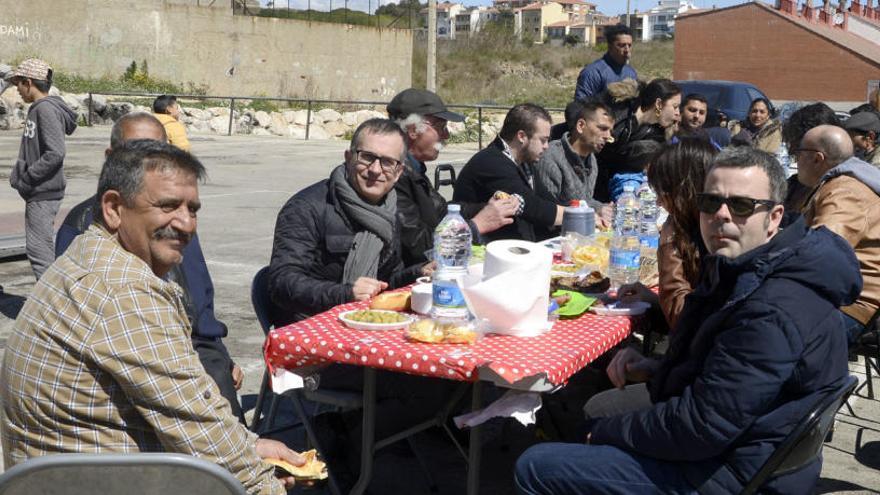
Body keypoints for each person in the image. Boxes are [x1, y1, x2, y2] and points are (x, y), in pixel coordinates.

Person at [515, 146, 860, 494]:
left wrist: (605, 434)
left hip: (740, 472)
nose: (721, 216)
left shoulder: (774, 307)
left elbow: (701, 427)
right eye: (710, 203)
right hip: (749, 445)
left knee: (536, 465)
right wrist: (658, 367)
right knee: (594, 421)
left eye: (741, 206)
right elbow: (726, 371)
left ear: (774, 217)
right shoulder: (754, 265)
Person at [1, 140, 304, 493]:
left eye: (192, 209)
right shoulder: (125, 290)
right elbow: (199, 427)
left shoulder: (88, 255)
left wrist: (250, 446)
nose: (186, 223)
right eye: (168, 206)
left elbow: (192, 405)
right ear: (114, 208)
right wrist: (265, 486)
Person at [54, 112, 246, 423]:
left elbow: (198, 304)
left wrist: (221, 355)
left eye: (159, 153)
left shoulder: (173, 221)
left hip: (189, 351)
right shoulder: (84, 232)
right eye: (137, 153)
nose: (151, 165)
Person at [268, 118, 426, 325]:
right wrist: (345, 294)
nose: (375, 170)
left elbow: (386, 283)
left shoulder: (390, 209)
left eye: (387, 162)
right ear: (348, 157)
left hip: (367, 323)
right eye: (367, 157)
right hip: (313, 327)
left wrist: (420, 272)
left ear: (398, 173)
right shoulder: (306, 207)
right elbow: (282, 283)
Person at [387, 88, 518, 266]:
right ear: (412, 130)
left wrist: (488, 206)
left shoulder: (414, 169)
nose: (446, 135)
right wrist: (476, 226)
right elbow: (417, 247)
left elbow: (442, 212)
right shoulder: (392, 176)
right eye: (440, 127)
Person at [619, 138, 718, 330]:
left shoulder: (716, 237)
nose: (657, 202)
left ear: (685, 190)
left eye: (663, 191)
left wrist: (668, 241)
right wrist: (656, 299)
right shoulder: (701, 227)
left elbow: (684, 321)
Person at [795, 125, 880, 343]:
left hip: (853, 306)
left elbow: (821, 252)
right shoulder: (843, 183)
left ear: (817, 158)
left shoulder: (845, 191)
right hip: (841, 295)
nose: (796, 160)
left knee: (766, 331)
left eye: (799, 153)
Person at [6, 58, 78, 280]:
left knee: (39, 252)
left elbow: (55, 153)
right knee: (41, 248)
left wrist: (27, 178)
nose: (16, 89)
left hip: (42, 190)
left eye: (18, 83)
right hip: (41, 189)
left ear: (28, 82)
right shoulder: (42, 108)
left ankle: (52, 306)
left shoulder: (44, 109)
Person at [453, 103, 564, 242]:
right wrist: (577, 216)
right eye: (543, 140)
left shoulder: (524, 161)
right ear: (522, 136)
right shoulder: (491, 162)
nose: (547, 146)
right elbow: (531, 206)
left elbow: (545, 198)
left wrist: (578, 209)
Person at [595, 78, 681, 203]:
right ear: (659, 104)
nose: (678, 113)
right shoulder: (619, 108)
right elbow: (577, 111)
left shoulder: (656, 135)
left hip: (611, 192)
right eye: (675, 107)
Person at [533, 100, 614, 227]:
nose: (608, 136)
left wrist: (601, 208)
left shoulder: (591, 159)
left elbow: (583, 201)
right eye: (602, 129)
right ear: (581, 125)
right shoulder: (551, 158)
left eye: (610, 131)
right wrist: (589, 216)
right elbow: (547, 211)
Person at [780, 102, 842, 211]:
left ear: (818, 157)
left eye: (797, 150)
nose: (791, 153)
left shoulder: (840, 196)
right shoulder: (794, 186)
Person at [574, 24, 637, 102]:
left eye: (629, 45)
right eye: (621, 45)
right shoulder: (593, 73)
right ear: (610, 46)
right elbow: (580, 107)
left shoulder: (631, 73)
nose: (627, 50)